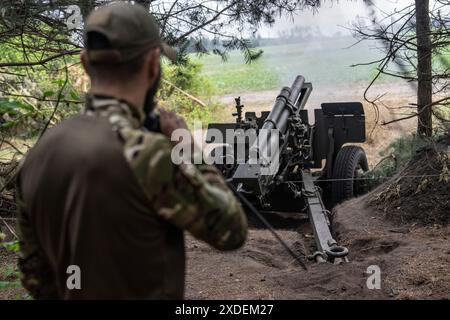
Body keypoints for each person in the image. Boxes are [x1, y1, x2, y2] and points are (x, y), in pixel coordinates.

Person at [16, 2, 247, 300]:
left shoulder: (39, 155)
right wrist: (187, 149)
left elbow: (33, 275)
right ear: (153, 64)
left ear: (86, 64)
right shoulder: (149, 156)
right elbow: (231, 231)